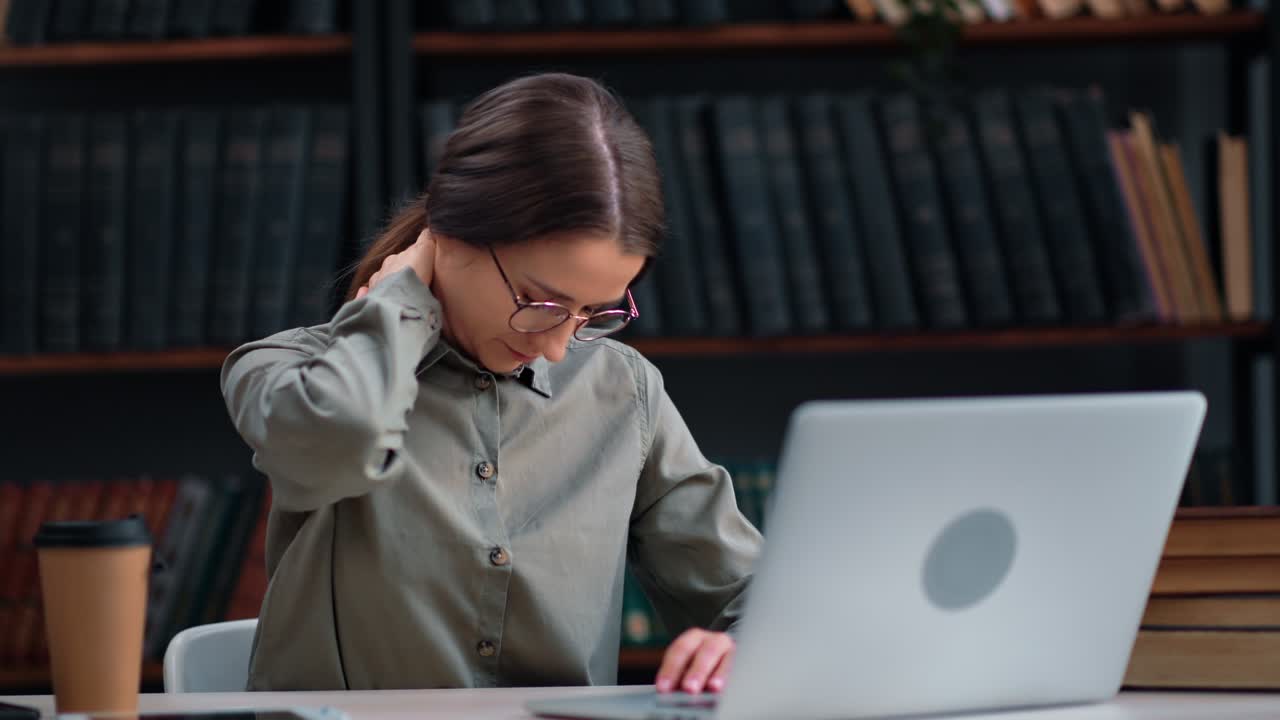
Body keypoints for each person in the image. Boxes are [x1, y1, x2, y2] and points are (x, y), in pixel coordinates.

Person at [220, 72, 762, 694]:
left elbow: (753, 596)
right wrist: (400, 303)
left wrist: (736, 646)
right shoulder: (286, 370)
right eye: (540, 302)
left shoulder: (623, 391)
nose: (557, 346)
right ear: (452, 238)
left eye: (593, 312)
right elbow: (340, 438)